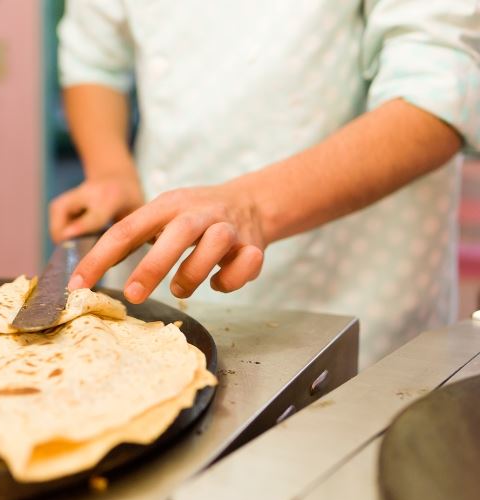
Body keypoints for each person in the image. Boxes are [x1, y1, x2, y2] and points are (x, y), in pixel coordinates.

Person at [50, 1, 480, 366]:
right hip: (160, 272)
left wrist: (249, 208)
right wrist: (112, 170)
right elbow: (94, 59)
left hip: (352, 288)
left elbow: (441, 92)